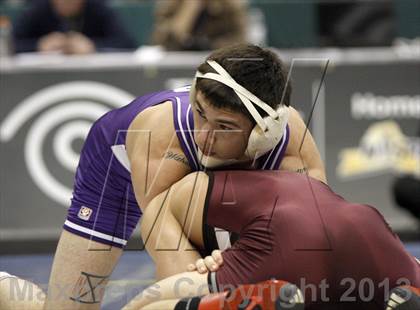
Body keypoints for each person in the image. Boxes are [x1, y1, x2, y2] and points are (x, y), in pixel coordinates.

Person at [3, 44, 326, 309]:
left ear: (264, 134)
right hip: (117, 171)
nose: (204, 137)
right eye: (199, 113)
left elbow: (308, 242)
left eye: (224, 126)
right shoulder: (163, 132)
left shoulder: (291, 145)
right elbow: (173, 263)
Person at [122, 170, 420, 309]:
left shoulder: (185, 190)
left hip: (284, 245)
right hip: (367, 229)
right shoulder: (298, 157)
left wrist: (202, 272)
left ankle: (218, 305)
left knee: (141, 305)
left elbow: (161, 210)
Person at [13, 0, 137, 54]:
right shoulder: (38, 9)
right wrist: (38, 45)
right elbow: (10, 45)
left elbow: (127, 43)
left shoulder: (98, 8)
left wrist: (93, 46)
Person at [152, 0, 248, 51]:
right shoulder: (172, 4)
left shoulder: (230, 6)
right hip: (178, 62)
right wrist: (189, 9)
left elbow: (239, 40)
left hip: (217, 62)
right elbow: (162, 40)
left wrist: (209, 46)